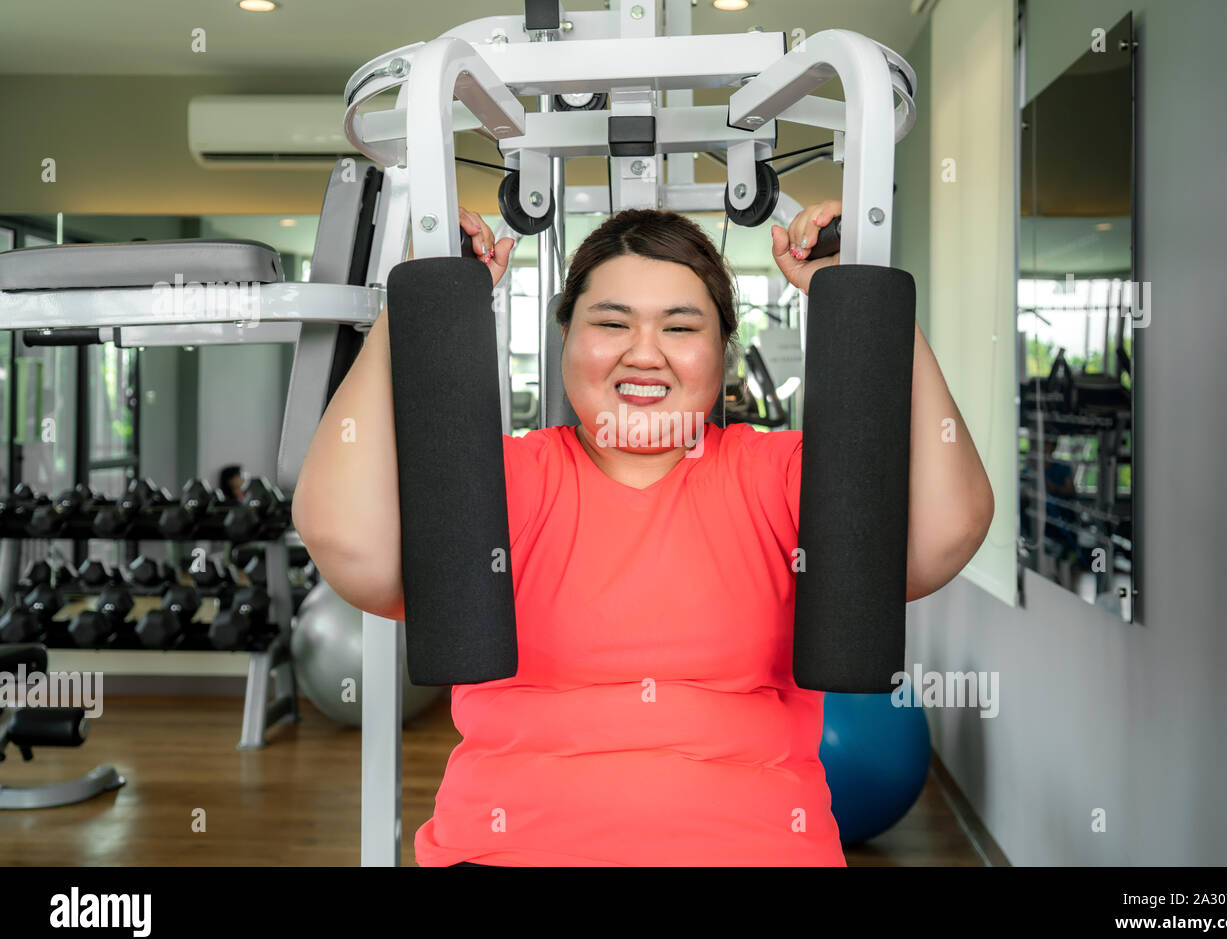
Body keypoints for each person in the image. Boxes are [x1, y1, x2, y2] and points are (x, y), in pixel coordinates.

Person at [292, 201, 995, 866]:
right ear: (565, 337)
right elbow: (345, 540)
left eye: (680, 328)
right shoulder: (498, 480)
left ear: (722, 348)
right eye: (612, 322)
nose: (644, 353)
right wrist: (415, 302)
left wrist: (867, 301)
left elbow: (947, 530)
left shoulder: (782, 477)